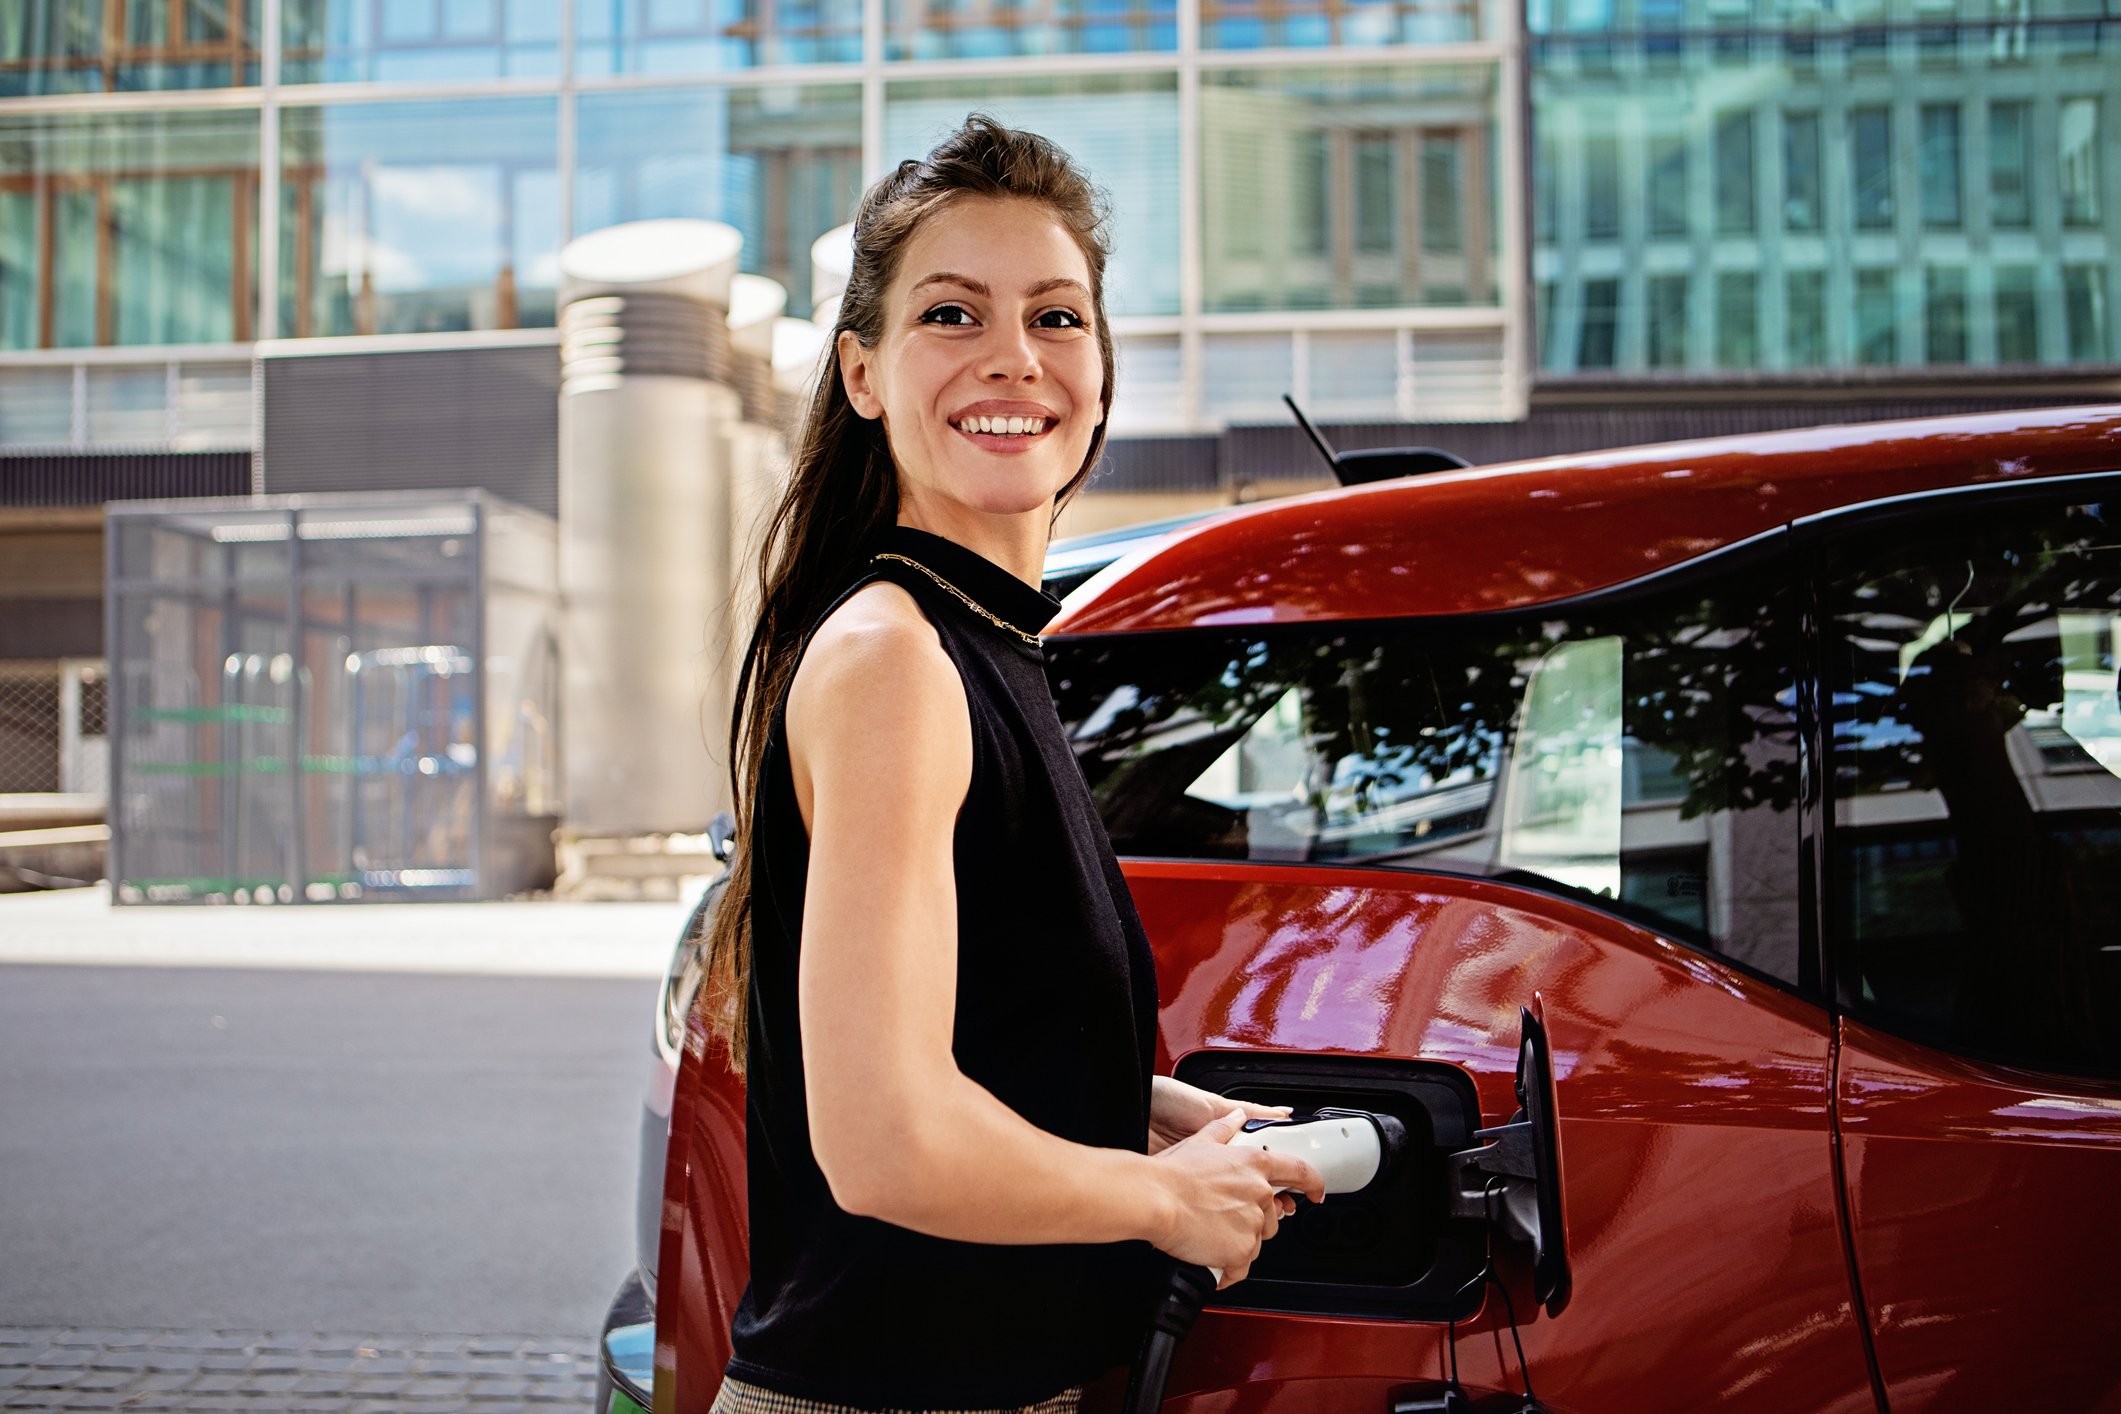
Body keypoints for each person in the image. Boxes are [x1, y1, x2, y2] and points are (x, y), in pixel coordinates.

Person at [698, 114, 1325, 1414]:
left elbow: (958, 1031)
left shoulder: (986, 645)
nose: (1011, 359)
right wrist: (1160, 1197)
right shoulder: (892, 658)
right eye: (949, 315)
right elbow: (883, 1140)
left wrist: (1138, 1110)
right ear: (861, 373)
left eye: (1054, 316)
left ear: (1100, 361)